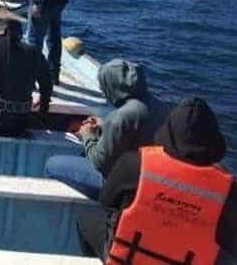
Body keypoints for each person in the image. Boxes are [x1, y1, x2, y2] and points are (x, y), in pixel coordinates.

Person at [77, 98, 237, 264]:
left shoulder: (135, 162)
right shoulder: (229, 188)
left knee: (86, 221)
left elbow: (106, 201)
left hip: (129, 257)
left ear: (168, 129)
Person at [44, 59, 168, 200]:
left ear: (113, 86)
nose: (103, 91)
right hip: (146, 177)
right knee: (82, 155)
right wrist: (105, 125)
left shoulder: (121, 117)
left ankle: (100, 202)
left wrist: (87, 134)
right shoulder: (159, 106)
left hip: (119, 182)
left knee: (52, 164)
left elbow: (99, 163)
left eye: (104, 87)